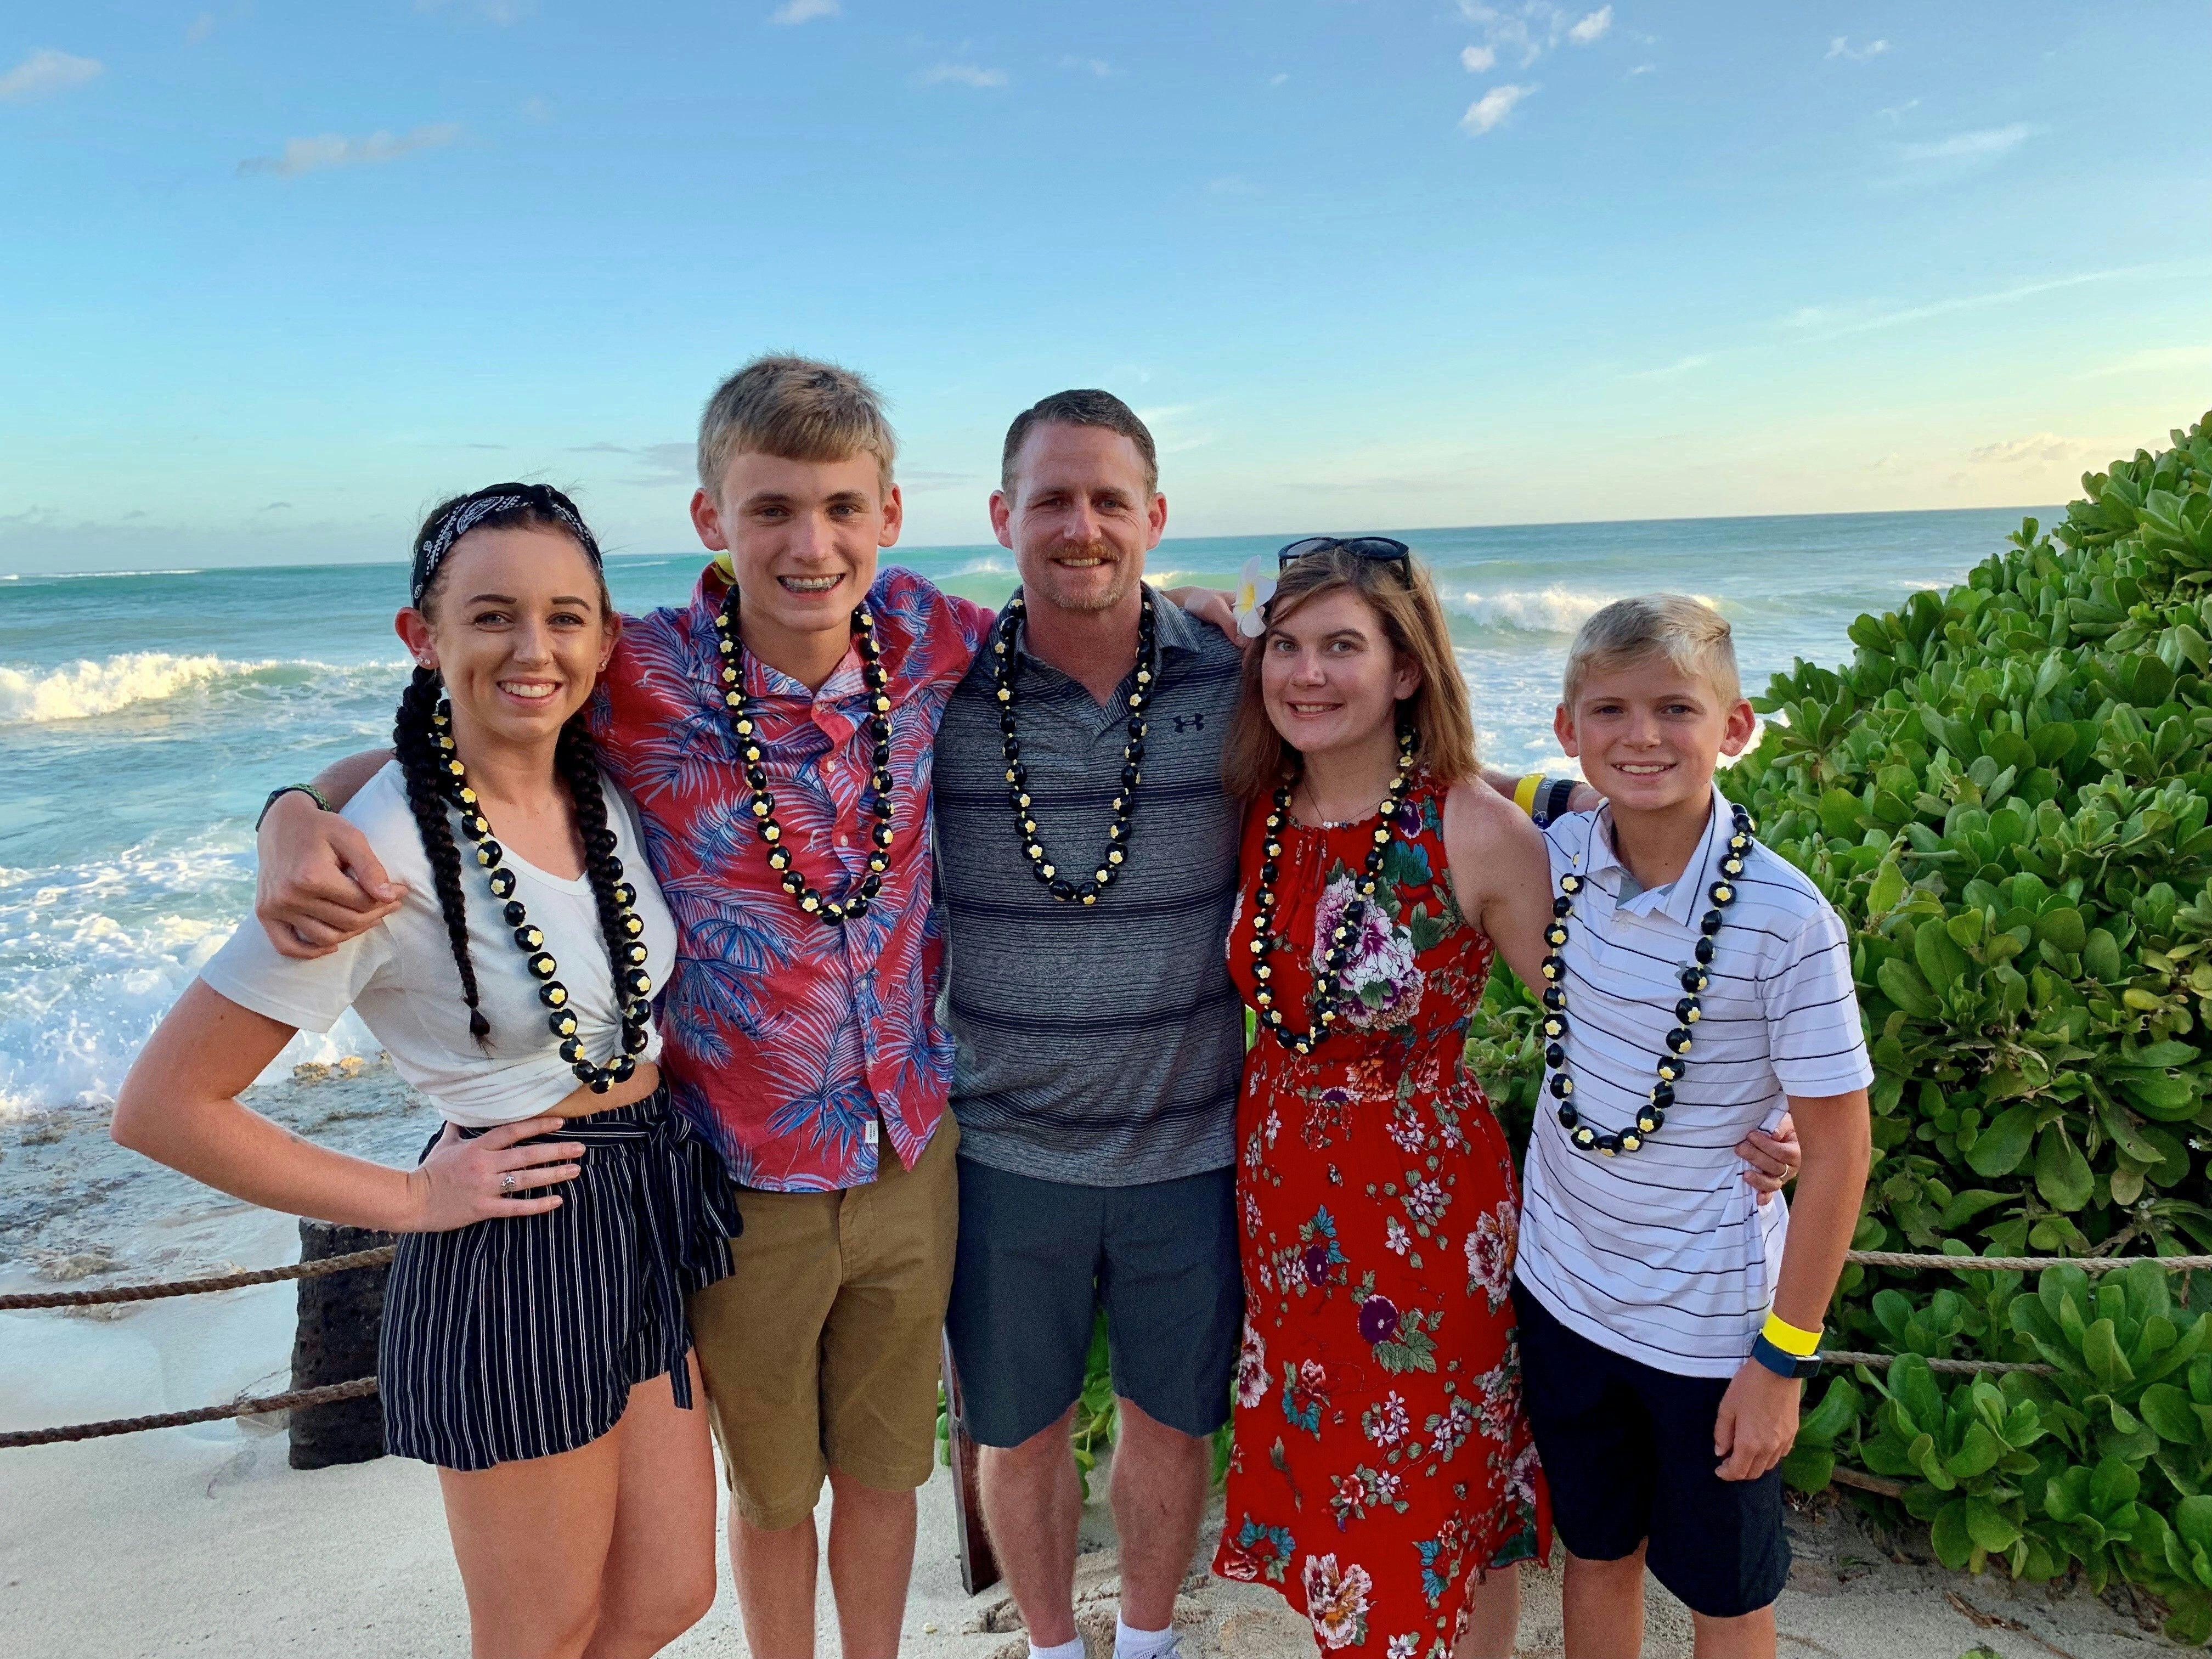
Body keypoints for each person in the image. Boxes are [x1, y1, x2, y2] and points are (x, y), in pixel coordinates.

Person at [251, 362, 1237, 1659]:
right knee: (773, 1494)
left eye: (841, 509)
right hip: (737, 1171)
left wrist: (1208, 614)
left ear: (889, 514)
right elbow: (459, 745)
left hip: (914, 1151)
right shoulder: (639, 670)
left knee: (887, 1473)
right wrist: (293, 811)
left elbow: (1087, 607)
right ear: (713, 517)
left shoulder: (933, 639)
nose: (809, 544)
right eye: (772, 509)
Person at [111, 484, 738, 1659]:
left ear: (606, 638)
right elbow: (164, 1108)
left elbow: (373, 760)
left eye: (564, 617)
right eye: (491, 616)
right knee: (539, 1631)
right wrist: (409, 1198)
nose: (533, 649)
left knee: (667, 1594)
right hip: (516, 1238)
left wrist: (291, 798)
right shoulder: (379, 855)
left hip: (647, 1205)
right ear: (424, 636)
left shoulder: (593, 774)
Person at [1207, 538, 1556, 1658]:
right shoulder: (1258, 811)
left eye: (1342, 647)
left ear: (1406, 669)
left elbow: (1598, 1028)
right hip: (1283, 1217)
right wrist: (1217, 615)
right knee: (1345, 1487)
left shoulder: (1475, 828)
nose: (1307, 673)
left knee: (1439, 1484)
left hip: (1424, 1223)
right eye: (1286, 646)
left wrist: (1759, 1115)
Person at [1510, 595, 1874, 1659]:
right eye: (1610, 711)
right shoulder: (1561, 851)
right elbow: (1467, 783)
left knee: (1727, 1593)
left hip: (1709, 1330)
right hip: (1563, 1295)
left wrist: (1781, 1360)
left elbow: (1840, 1151)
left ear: (1737, 727)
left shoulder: (1787, 920)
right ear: (1569, 727)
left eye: (1677, 709)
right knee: (1596, 1552)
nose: (1643, 736)